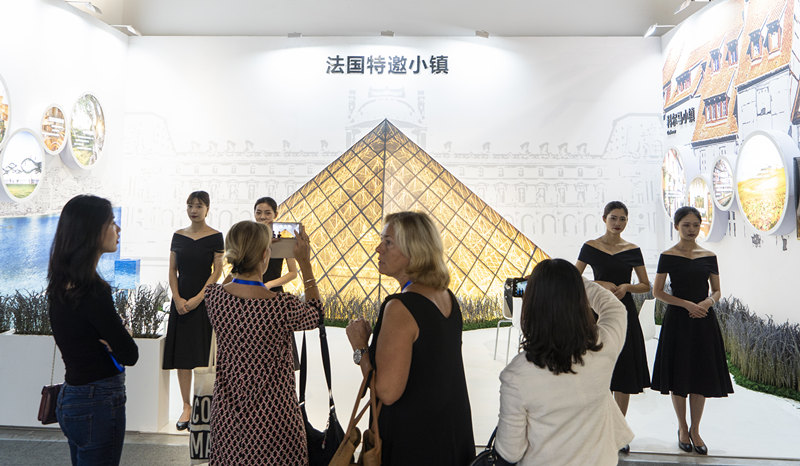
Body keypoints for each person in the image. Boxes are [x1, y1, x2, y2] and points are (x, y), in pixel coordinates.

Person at [346, 211, 475, 465]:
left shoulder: (400, 308)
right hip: (449, 436)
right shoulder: (446, 297)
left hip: (414, 444)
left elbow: (387, 392)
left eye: (388, 242)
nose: (378, 249)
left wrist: (360, 348)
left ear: (414, 251)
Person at [204, 220, 322, 465]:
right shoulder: (282, 307)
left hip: (227, 418)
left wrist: (251, 254)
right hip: (275, 420)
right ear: (265, 256)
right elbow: (316, 314)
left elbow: (228, 283)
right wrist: (305, 263)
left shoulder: (214, 298)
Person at [495, 259, 633, 466]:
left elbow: (510, 452)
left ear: (532, 306)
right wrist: (575, 282)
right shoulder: (603, 345)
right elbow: (615, 308)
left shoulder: (516, 375)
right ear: (579, 300)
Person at [48, 194, 139, 465]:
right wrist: (120, 337)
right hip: (97, 401)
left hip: (72, 396)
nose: (118, 229)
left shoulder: (60, 284)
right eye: (111, 222)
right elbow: (129, 354)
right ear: (92, 230)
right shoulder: (93, 291)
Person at [651, 206, 733, 455]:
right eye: (686, 225)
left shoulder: (709, 256)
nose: (691, 229)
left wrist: (707, 303)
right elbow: (658, 292)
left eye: (695, 225)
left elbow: (717, 291)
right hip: (678, 319)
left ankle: (696, 430)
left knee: (700, 374)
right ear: (676, 226)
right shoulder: (668, 255)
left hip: (703, 320)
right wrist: (687, 304)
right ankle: (682, 427)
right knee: (679, 374)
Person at [575, 201, 651, 453]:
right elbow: (573, 278)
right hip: (596, 312)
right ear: (604, 219)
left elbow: (646, 285)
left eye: (622, 219)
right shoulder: (590, 246)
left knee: (624, 371)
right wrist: (600, 284)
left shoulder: (633, 250)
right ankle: (598, 429)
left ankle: (618, 431)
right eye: (614, 218)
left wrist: (627, 287)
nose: (618, 223)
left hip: (624, 312)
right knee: (597, 370)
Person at [162, 191, 224, 430]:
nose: (194, 210)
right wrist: (177, 298)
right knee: (183, 355)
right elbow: (172, 270)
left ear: (207, 208)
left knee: (205, 353)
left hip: (205, 300)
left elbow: (217, 271)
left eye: (198, 206)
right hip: (181, 300)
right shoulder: (178, 236)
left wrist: (199, 298)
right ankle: (186, 406)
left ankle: (208, 405)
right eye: (190, 206)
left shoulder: (216, 236)